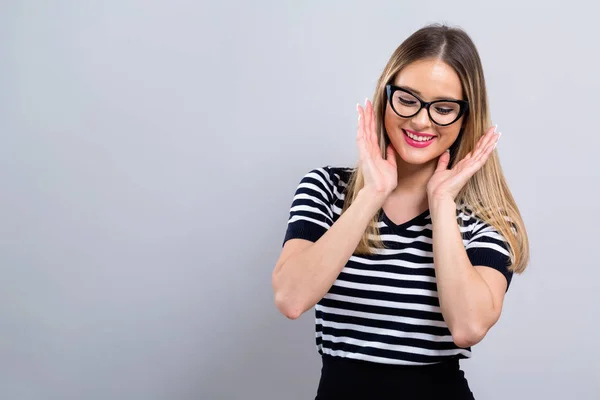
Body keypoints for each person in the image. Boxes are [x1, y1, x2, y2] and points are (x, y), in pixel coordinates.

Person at [271, 23, 530, 400]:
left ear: (465, 119)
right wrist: (372, 194)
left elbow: (469, 326)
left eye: (443, 108)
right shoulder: (326, 189)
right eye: (408, 99)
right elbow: (291, 298)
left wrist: (441, 203)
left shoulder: (487, 218)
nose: (422, 120)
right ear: (385, 96)